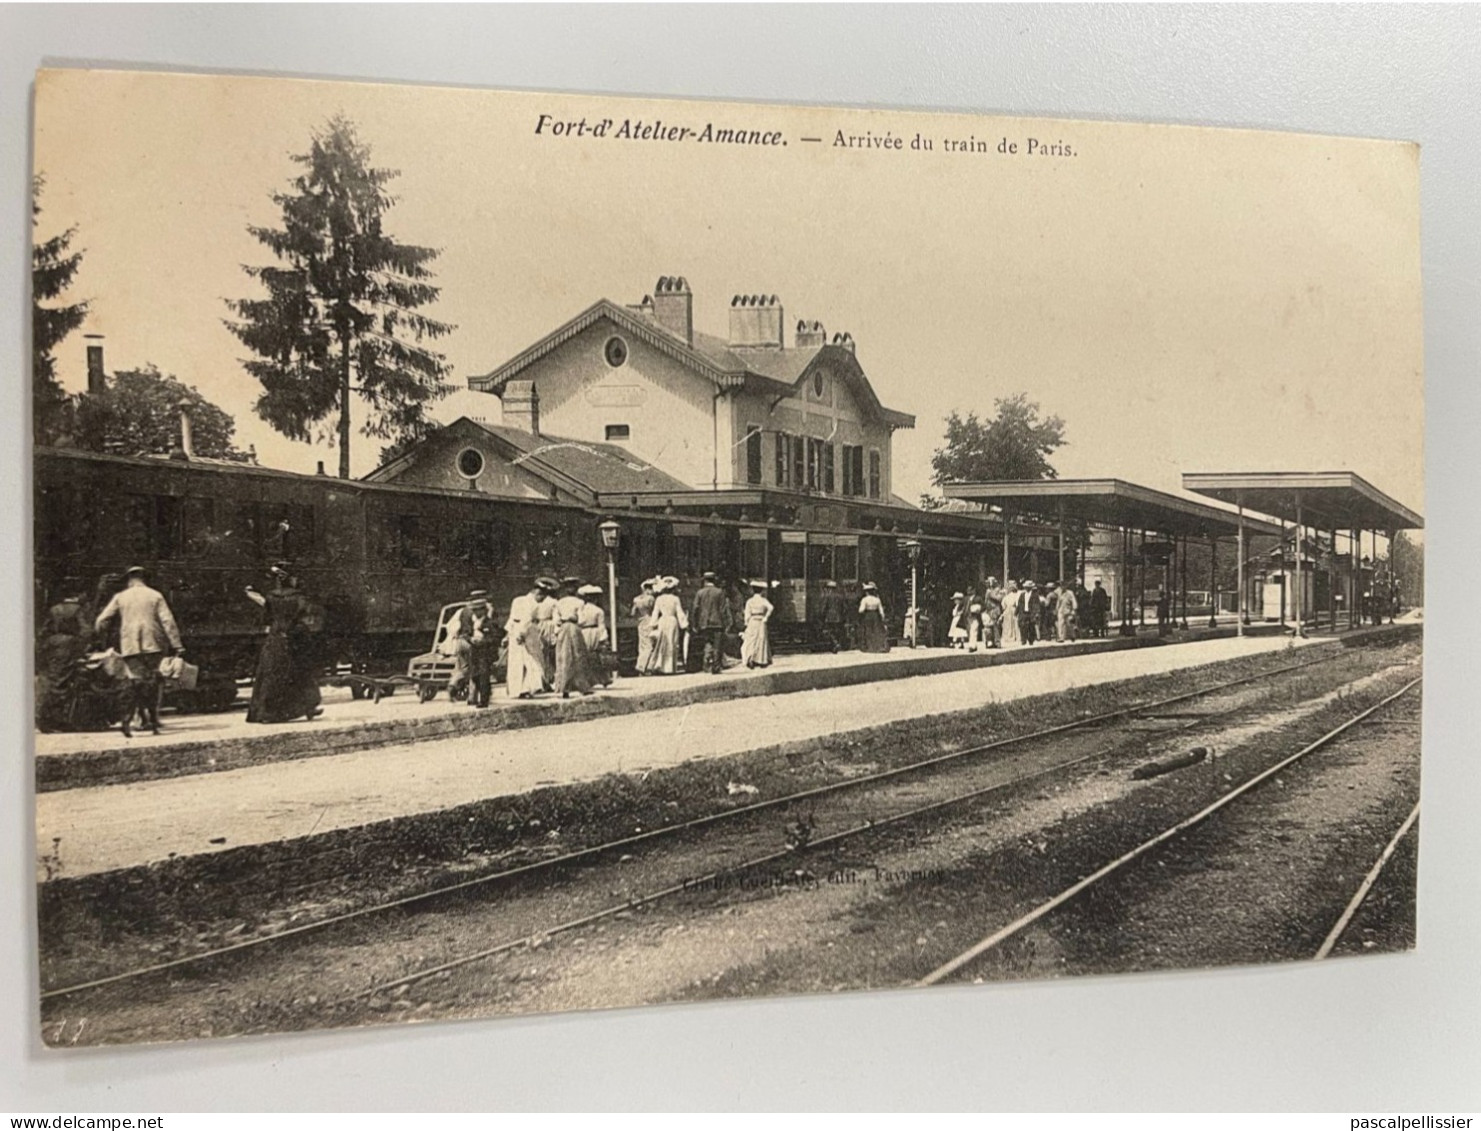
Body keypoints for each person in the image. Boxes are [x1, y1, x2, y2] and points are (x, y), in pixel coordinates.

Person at [93, 565, 183, 735]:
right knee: (154, 681)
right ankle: (153, 717)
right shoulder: (155, 595)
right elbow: (168, 622)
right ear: (144, 578)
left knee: (135, 682)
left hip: (130, 645)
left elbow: (101, 620)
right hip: (154, 644)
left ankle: (138, 719)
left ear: (128, 579)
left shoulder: (121, 597)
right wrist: (177, 644)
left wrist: (102, 638)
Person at [244, 563, 323, 724]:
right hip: (294, 638)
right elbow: (304, 615)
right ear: (291, 579)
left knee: (269, 675)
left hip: (275, 639)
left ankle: (265, 712)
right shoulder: (299, 597)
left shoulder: (271, 597)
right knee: (301, 673)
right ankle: (307, 707)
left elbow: (266, 619)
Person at [506, 578, 555, 699]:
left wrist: (508, 634)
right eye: (542, 597)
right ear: (538, 593)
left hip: (515, 633)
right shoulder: (532, 604)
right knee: (533, 661)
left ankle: (516, 689)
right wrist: (521, 635)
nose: (542, 600)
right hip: (526, 633)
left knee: (517, 662)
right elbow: (526, 621)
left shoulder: (517, 600)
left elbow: (511, 619)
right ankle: (526, 689)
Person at [552, 579, 594, 698]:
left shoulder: (559, 602)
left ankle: (564, 688)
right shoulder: (579, 602)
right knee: (578, 656)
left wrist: (559, 627)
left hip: (563, 628)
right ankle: (582, 687)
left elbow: (556, 620)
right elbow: (582, 620)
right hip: (574, 628)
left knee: (563, 656)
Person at [690, 570, 733, 675]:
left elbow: (695, 608)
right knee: (717, 645)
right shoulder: (719, 592)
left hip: (704, 623)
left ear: (705, 581)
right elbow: (723, 609)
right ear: (714, 580)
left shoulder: (700, 593)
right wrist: (727, 622)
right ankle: (716, 667)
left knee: (707, 643)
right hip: (717, 622)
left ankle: (706, 663)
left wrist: (694, 623)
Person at [459, 591, 496, 708]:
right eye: (474, 610)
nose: (475, 612)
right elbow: (464, 632)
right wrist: (471, 639)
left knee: (484, 675)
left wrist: (484, 641)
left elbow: (495, 636)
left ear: (483, 610)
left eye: (478, 610)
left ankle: (483, 700)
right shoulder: (471, 619)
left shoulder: (489, 622)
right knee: (475, 675)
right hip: (474, 649)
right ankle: (478, 695)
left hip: (485, 651)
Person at [650, 576, 688, 674]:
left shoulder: (659, 599)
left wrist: (653, 623)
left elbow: (655, 612)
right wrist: (684, 624)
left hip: (662, 621)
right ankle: (669, 667)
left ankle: (661, 666)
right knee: (672, 643)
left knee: (662, 643)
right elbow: (679, 612)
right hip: (672, 621)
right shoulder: (675, 599)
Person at [577, 585, 612, 687]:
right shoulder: (599, 610)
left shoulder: (581, 610)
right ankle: (602, 679)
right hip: (594, 632)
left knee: (585, 656)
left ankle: (588, 680)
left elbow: (579, 622)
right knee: (596, 656)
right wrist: (604, 638)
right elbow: (602, 626)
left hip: (583, 632)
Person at [740, 579, 774, 668]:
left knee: (751, 640)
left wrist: (746, 623)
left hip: (752, 621)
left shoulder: (750, 601)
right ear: (761, 591)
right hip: (761, 621)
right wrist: (766, 617)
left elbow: (747, 614)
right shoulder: (763, 600)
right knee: (761, 639)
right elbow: (771, 608)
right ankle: (761, 659)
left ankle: (751, 658)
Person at [632, 578, 658, 674]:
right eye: (650, 588)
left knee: (642, 644)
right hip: (649, 620)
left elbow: (633, 612)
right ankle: (645, 666)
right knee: (650, 644)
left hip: (640, 621)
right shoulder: (650, 599)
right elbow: (654, 610)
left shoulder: (636, 599)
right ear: (647, 589)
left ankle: (641, 664)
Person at [817, 579, 850, 652]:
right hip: (839, 617)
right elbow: (845, 608)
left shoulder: (827, 596)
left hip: (830, 617)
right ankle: (836, 644)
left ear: (829, 588)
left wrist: (821, 615)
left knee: (830, 631)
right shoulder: (841, 596)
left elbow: (824, 607)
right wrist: (843, 615)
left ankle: (835, 643)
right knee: (838, 631)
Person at [857, 581, 891, 653]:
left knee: (868, 631)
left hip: (868, 615)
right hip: (876, 615)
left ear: (867, 592)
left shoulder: (865, 600)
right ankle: (876, 647)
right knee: (875, 630)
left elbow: (861, 610)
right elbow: (881, 610)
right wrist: (883, 618)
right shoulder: (877, 600)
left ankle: (869, 647)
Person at [983, 577, 1004, 649]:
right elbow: (985, 601)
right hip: (988, 610)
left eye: (990, 582)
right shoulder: (987, 591)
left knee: (996, 627)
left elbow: (999, 598)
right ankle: (990, 642)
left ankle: (997, 642)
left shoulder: (997, 590)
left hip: (995, 609)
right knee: (988, 627)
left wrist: (990, 594)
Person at [1000, 580, 1023, 647]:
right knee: (1016, 623)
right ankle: (1017, 637)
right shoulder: (1018, 595)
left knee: (1008, 624)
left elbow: (1003, 606)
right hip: (1015, 609)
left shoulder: (1006, 597)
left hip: (1008, 610)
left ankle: (1009, 637)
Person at [1020, 581, 1040, 645]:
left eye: (1028, 587)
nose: (1027, 588)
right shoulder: (1022, 594)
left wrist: (1036, 612)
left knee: (1031, 626)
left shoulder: (1035, 595)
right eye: (1026, 587)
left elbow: (1037, 604)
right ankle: (1023, 640)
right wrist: (1018, 612)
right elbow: (1020, 603)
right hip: (1024, 612)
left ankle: (1031, 640)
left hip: (1031, 612)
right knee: (1023, 626)